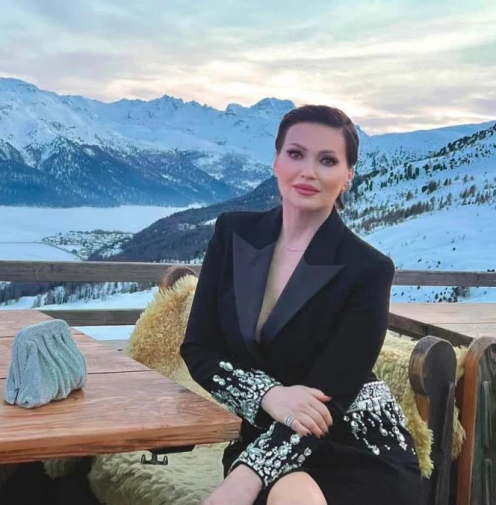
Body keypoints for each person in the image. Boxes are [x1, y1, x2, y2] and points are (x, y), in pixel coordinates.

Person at [180, 105, 422, 505]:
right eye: (296, 154)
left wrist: (246, 476)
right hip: (266, 431)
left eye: (327, 160)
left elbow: (330, 393)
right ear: (276, 161)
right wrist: (268, 394)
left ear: (348, 175)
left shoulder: (368, 269)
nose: (308, 171)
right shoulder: (232, 233)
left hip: (357, 444)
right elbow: (199, 349)